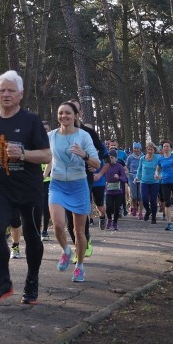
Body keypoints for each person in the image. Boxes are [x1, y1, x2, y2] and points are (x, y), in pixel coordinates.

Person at [0, 71, 51, 304]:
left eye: (10, 90)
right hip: (1, 189)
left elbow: (47, 155)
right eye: (2, 90)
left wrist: (24, 154)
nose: (6, 94)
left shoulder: (31, 121)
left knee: (31, 235)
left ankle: (32, 281)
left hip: (29, 190)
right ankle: (4, 281)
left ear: (20, 94)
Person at [46, 102, 100, 283]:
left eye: (68, 113)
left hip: (78, 185)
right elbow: (40, 153)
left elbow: (97, 163)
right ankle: (65, 251)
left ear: (76, 116)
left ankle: (80, 266)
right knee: (58, 225)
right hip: (57, 184)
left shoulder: (84, 136)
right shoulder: (51, 136)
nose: (64, 116)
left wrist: (83, 155)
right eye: (60, 113)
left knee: (79, 232)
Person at [155, 141, 173, 231]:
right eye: (164, 146)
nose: (166, 148)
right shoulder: (160, 159)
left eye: (167, 146)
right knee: (167, 202)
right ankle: (169, 223)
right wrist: (156, 174)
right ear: (162, 149)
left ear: (171, 148)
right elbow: (158, 169)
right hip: (164, 182)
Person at [99, 149, 127, 230]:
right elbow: (101, 174)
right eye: (109, 158)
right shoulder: (106, 166)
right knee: (109, 207)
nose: (110, 159)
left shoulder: (120, 167)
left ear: (115, 158)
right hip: (109, 191)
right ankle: (109, 220)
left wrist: (119, 177)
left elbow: (124, 178)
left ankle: (115, 223)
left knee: (117, 208)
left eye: (111, 157)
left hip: (118, 191)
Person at [135, 142, 161, 223]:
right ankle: (148, 210)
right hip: (144, 182)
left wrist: (159, 175)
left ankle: (153, 217)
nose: (150, 151)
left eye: (152, 149)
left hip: (154, 182)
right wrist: (137, 177)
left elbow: (161, 167)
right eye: (149, 149)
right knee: (144, 199)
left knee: (153, 200)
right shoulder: (142, 158)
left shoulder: (157, 157)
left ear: (154, 150)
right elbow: (139, 169)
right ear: (146, 150)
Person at [40, 121, 53, 240]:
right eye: (42, 129)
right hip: (35, 180)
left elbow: (52, 160)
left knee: (45, 206)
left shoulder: (53, 143)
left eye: (46, 129)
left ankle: (44, 230)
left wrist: (45, 175)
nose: (44, 132)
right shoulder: (35, 143)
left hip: (50, 179)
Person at [125, 142, 143, 217]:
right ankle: (134, 207)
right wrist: (127, 172)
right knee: (134, 196)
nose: (136, 150)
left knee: (141, 196)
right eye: (135, 148)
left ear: (140, 149)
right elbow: (126, 166)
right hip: (132, 177)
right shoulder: (130, 157)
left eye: (137, 148)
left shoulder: (143, 157)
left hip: (141, 178)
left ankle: (140, 213)